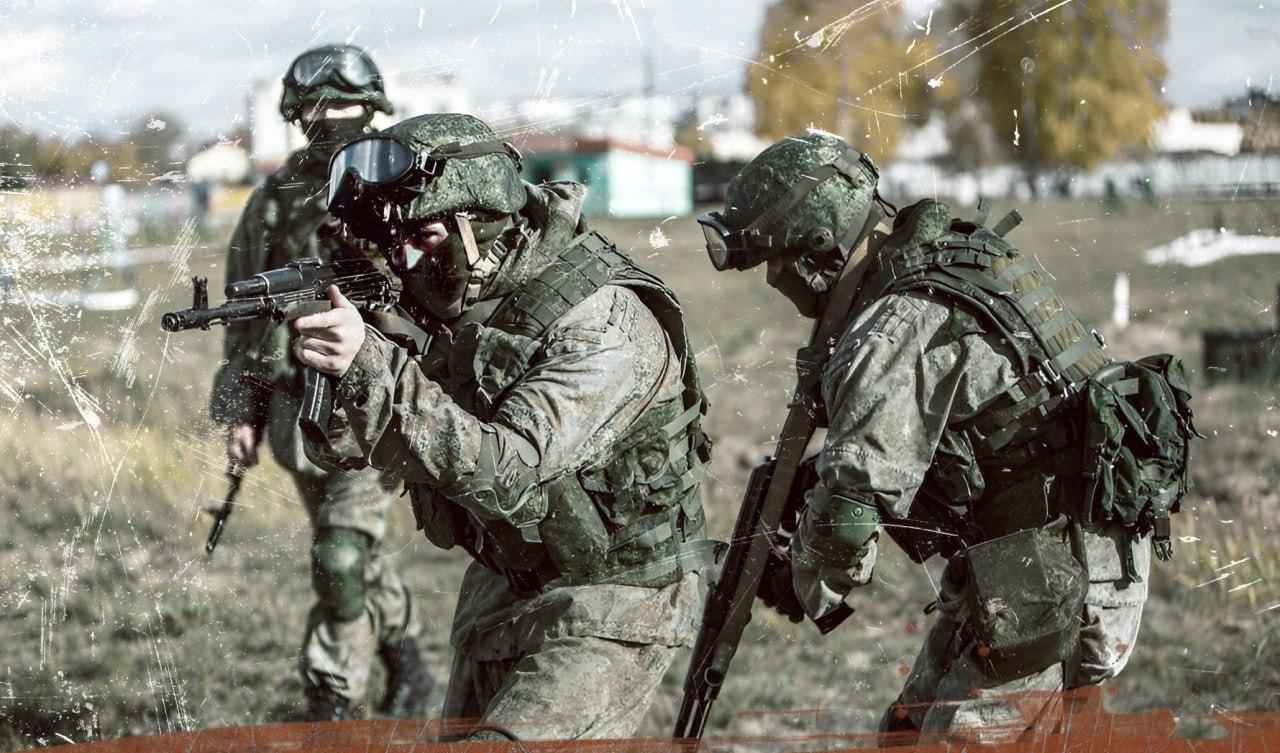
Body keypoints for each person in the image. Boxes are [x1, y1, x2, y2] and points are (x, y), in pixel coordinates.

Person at [696, 130, 1194, 744]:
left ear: (816, 249)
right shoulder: (950, 258)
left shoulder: (891, 328)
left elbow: (850, 516)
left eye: (774, 260)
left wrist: (797, 575)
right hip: (1038, 563)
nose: (772, 277)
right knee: (906, 737)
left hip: (1056, 579)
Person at [292, 112, 719, 740]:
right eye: (393, 243)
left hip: (612, 599)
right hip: (506, 583)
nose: (404, 261)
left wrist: (373, 364)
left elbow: (506, 471)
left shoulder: (600, 323)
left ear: (482, 225)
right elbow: (350, 449)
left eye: (424, 237)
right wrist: (347, 371)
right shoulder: (470, 299)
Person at [208, 44, 431, 722]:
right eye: (319, 107)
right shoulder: (276, 202)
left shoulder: (404, 183)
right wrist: (241, 412)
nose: (333, 119)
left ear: (373, 109)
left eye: (346, 105)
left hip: (377, 405)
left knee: (339, 556)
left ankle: (330, 699)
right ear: (298, 115)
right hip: (297, 417)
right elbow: (244, 319)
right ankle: (410, 662)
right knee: (351, 551)